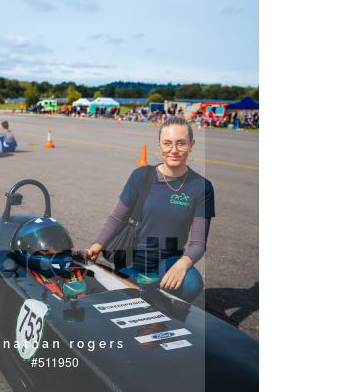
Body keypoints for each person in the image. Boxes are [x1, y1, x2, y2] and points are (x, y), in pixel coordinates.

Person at [78, 115, 214, 302]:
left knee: (191, 283)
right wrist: (95, 247)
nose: (173, 150)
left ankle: (168, 306)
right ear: (159, 145)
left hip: (168, 261)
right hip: (132, 259)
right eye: (168, 143)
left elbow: (198, 243)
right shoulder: (141, 176)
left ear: (191, 145)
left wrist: (182, 264)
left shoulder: (201, 187)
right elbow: (117, 219)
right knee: (131, 300)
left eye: (181, 143)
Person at [13, 217, 106, 298]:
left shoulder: (79, 273)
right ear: (25, 248)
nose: (56, 251)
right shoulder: (22, 279)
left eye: (58, 245)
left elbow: (105, 298)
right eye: (47, 249)